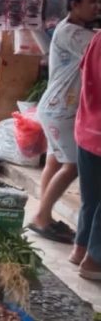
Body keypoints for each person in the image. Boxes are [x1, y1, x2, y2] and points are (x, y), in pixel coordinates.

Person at [28, 0, 101, 245]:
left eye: (99, 2)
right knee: (73, 166)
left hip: (56, 108)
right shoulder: (75, 34)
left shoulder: (70, 28)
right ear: (74, 5)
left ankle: (43, 213)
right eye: (92, 2)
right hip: (63, 111)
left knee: (55, 161)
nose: (97, 7)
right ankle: (42, 216)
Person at [74, 26, 101, 280]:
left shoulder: (98, 37)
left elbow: (84, 71)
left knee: (91, 197)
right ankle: (94, 260)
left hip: (87, 128)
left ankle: (80, 249)